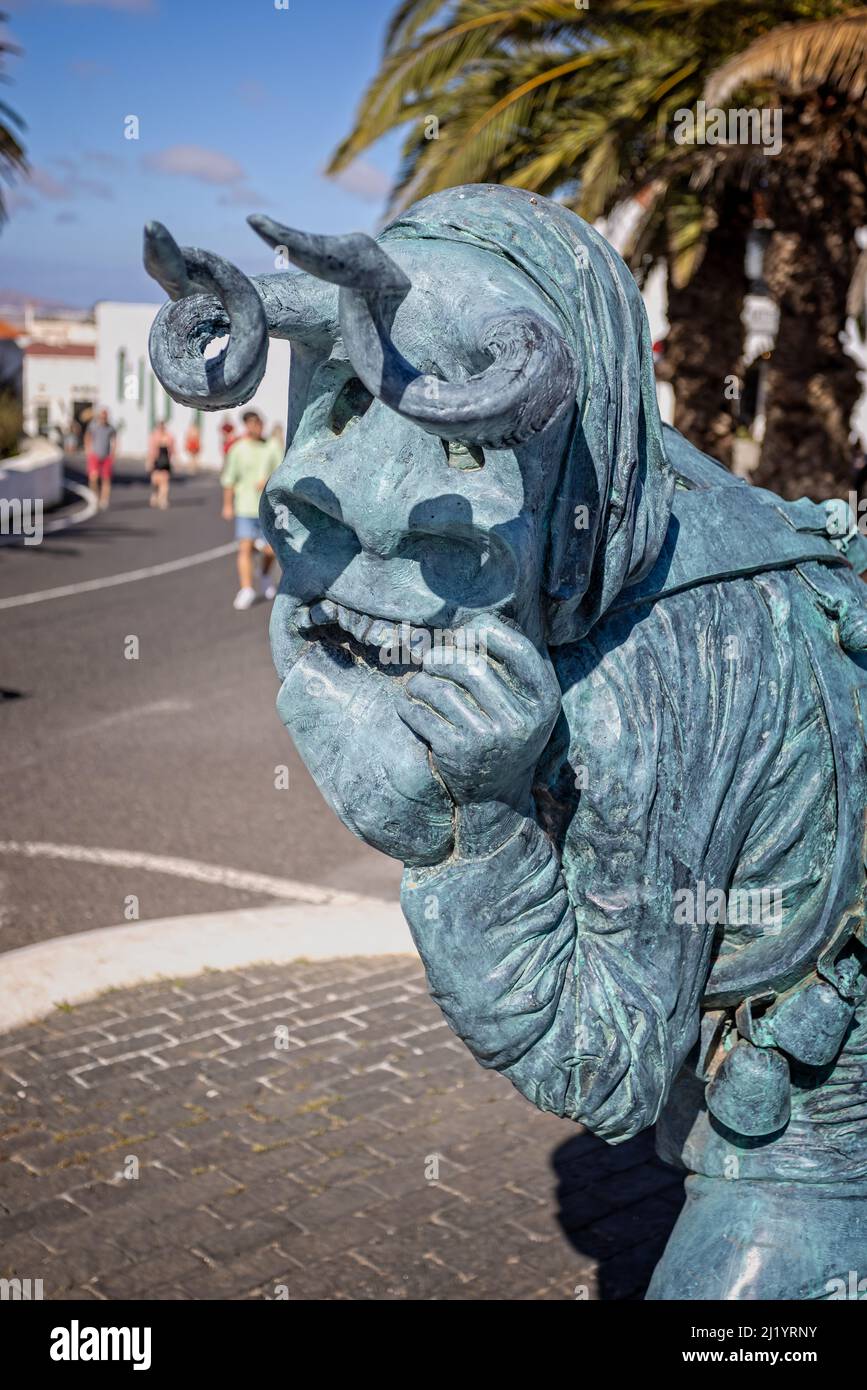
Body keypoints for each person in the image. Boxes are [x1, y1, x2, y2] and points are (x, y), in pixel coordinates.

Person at [220, 409, 277, 610]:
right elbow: (229, 478)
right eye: (252, 423)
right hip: (245, 506)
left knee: (272, 550)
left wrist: (269, 480)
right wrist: (227, 504)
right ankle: (246, 589)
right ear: (246, 426)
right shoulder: (238, 448)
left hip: (268, 509)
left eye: (259, 422)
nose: (256, 426)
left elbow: (283, 471)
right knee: (244, 547)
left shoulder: (272, 446)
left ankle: (264, 574)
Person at [84, 408, 116, 511]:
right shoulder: (93, 426)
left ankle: (104, 499)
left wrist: (113, 454)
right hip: (94, 455)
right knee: (93, 478)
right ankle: (96, 497)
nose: (103, 419)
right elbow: (87, 436)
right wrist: (88, 450)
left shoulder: (110, 428)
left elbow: (114, 440)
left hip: (106, 456)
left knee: (106, 479)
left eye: (105, 417)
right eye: (102, 417)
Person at [147, 420, 175, 510]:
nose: (162, 428)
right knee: (155, 480)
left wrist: (174, 460)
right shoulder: (154, 436)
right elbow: (151, 450)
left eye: (163, 426)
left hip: (165, 460)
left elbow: (173, 449)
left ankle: (163, 499)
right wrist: (149, 461)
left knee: (165, 481)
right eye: (160, 426)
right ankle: (155, 494)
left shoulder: (169, 436)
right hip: (156, 460)